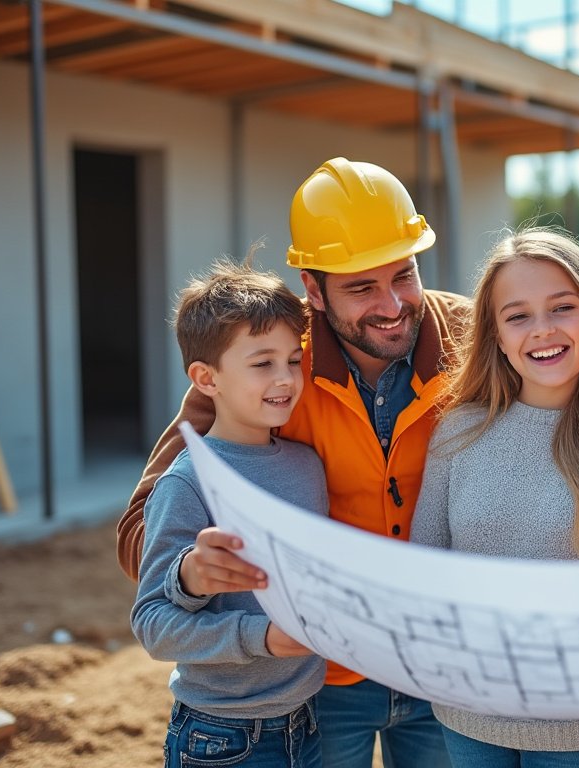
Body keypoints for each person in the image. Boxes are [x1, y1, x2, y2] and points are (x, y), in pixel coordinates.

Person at [118, 157, 464, 768]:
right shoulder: (270, 357)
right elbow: (145, 528)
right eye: (361, 287)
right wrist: (203, 572)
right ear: (313, 289)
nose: (391, 305)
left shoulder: (475, 338)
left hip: (442, 669)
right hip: (318, 683)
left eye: (403, 276)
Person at [409, 227, 579, 767]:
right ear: (497, 335)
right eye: (518, 315)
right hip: (468, 712)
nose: (542, 330)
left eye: (562, 308)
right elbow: (426, 567)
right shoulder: (459, 430)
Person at [131, 257, 326, 768]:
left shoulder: (308, 467)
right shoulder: (186, 481)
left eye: (292, 360)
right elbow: (152, 624)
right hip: (220, 736)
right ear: (206, 378)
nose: (285, 378)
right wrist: (259, 637)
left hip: (307, 719)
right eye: (262, 364)